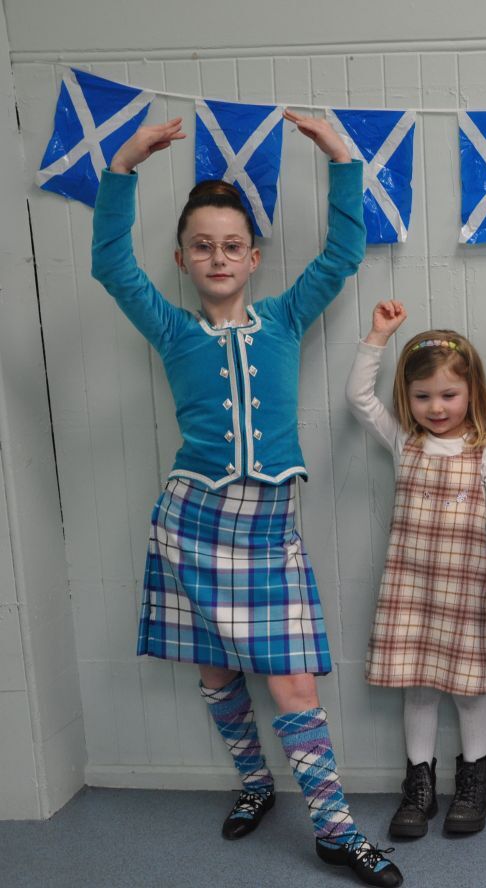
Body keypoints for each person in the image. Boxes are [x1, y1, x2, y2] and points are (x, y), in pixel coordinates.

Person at [91, 114, 400, 887]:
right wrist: (122, 166)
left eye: (232, 245)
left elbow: (344, 253)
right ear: (183, 258)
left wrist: (341, 156)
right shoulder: (169, 327)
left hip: (268, 531)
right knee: (217, 674)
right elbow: (109, 264)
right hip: (192, 523)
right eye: (203, 245)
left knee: (295, 682)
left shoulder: (287, 317)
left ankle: (333, 831)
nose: (218, 256)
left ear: (254, 257)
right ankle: (256, 785)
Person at [346, 300, 486, 839]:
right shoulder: (407, 441)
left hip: (465, 591)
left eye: (448, 394)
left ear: (471, 392)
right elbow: (358, 398)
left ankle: (475, 783)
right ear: (408, 398)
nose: (436, 406)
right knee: (418, 688)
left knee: (469, 689)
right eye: (423, 396)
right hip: (411, 588)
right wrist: (377, 336)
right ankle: (418, 785)